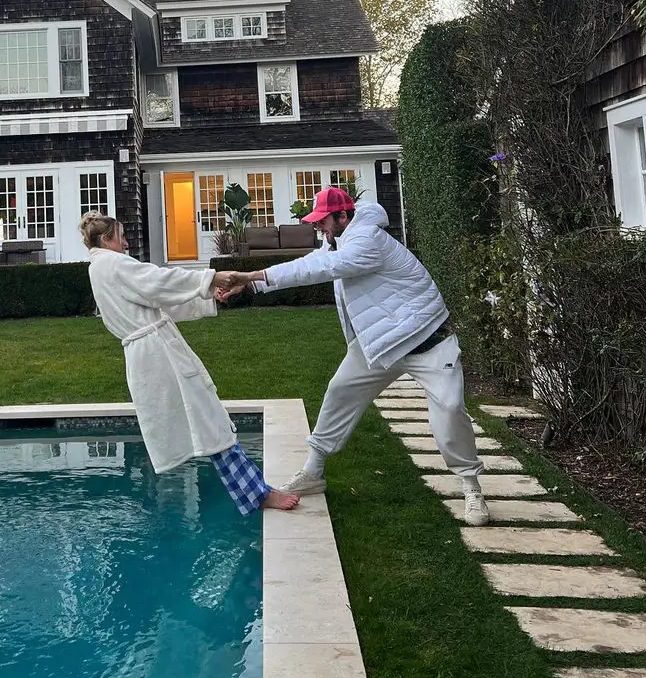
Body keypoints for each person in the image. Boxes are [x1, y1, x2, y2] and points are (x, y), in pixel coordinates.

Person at [223, 187, 491, 527]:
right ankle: (313, 471)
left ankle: (471, 486)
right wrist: (252, 285)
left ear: (343, 216)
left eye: (323, 221)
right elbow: (313, 262)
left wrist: (251, 275)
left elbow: (322, 270)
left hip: (428, 339)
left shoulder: (367, 241)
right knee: (339, 392)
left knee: (450, 409)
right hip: (380, 342)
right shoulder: (338, 240)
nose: (318, 227)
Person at [80, 211, 300, 515]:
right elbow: (159, 281)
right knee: (211, 422)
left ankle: (255, 491)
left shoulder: (100, 268)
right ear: (106, 239)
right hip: (159, 357)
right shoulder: (113, 264)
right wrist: (210, 279)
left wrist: (208, 296)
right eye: (121, 236)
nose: (127, 242)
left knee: (208, 422)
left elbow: (155, 300)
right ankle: (258, 494)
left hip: (148, 356)